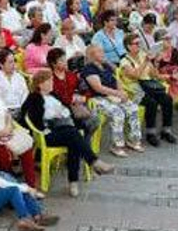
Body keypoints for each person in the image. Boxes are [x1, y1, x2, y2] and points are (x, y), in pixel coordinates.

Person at [19, 70, 113, 198]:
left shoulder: (53, 95)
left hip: (63, 129)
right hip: (46, 134)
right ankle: (87, 168)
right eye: (49, 81)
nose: (52, 83)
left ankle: (77, 178)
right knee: (73, 135)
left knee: (73, 140)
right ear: (40, 84)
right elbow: (28, 117)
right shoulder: (34, 97)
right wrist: (52, 117)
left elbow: (67, 109)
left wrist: (63, 112)